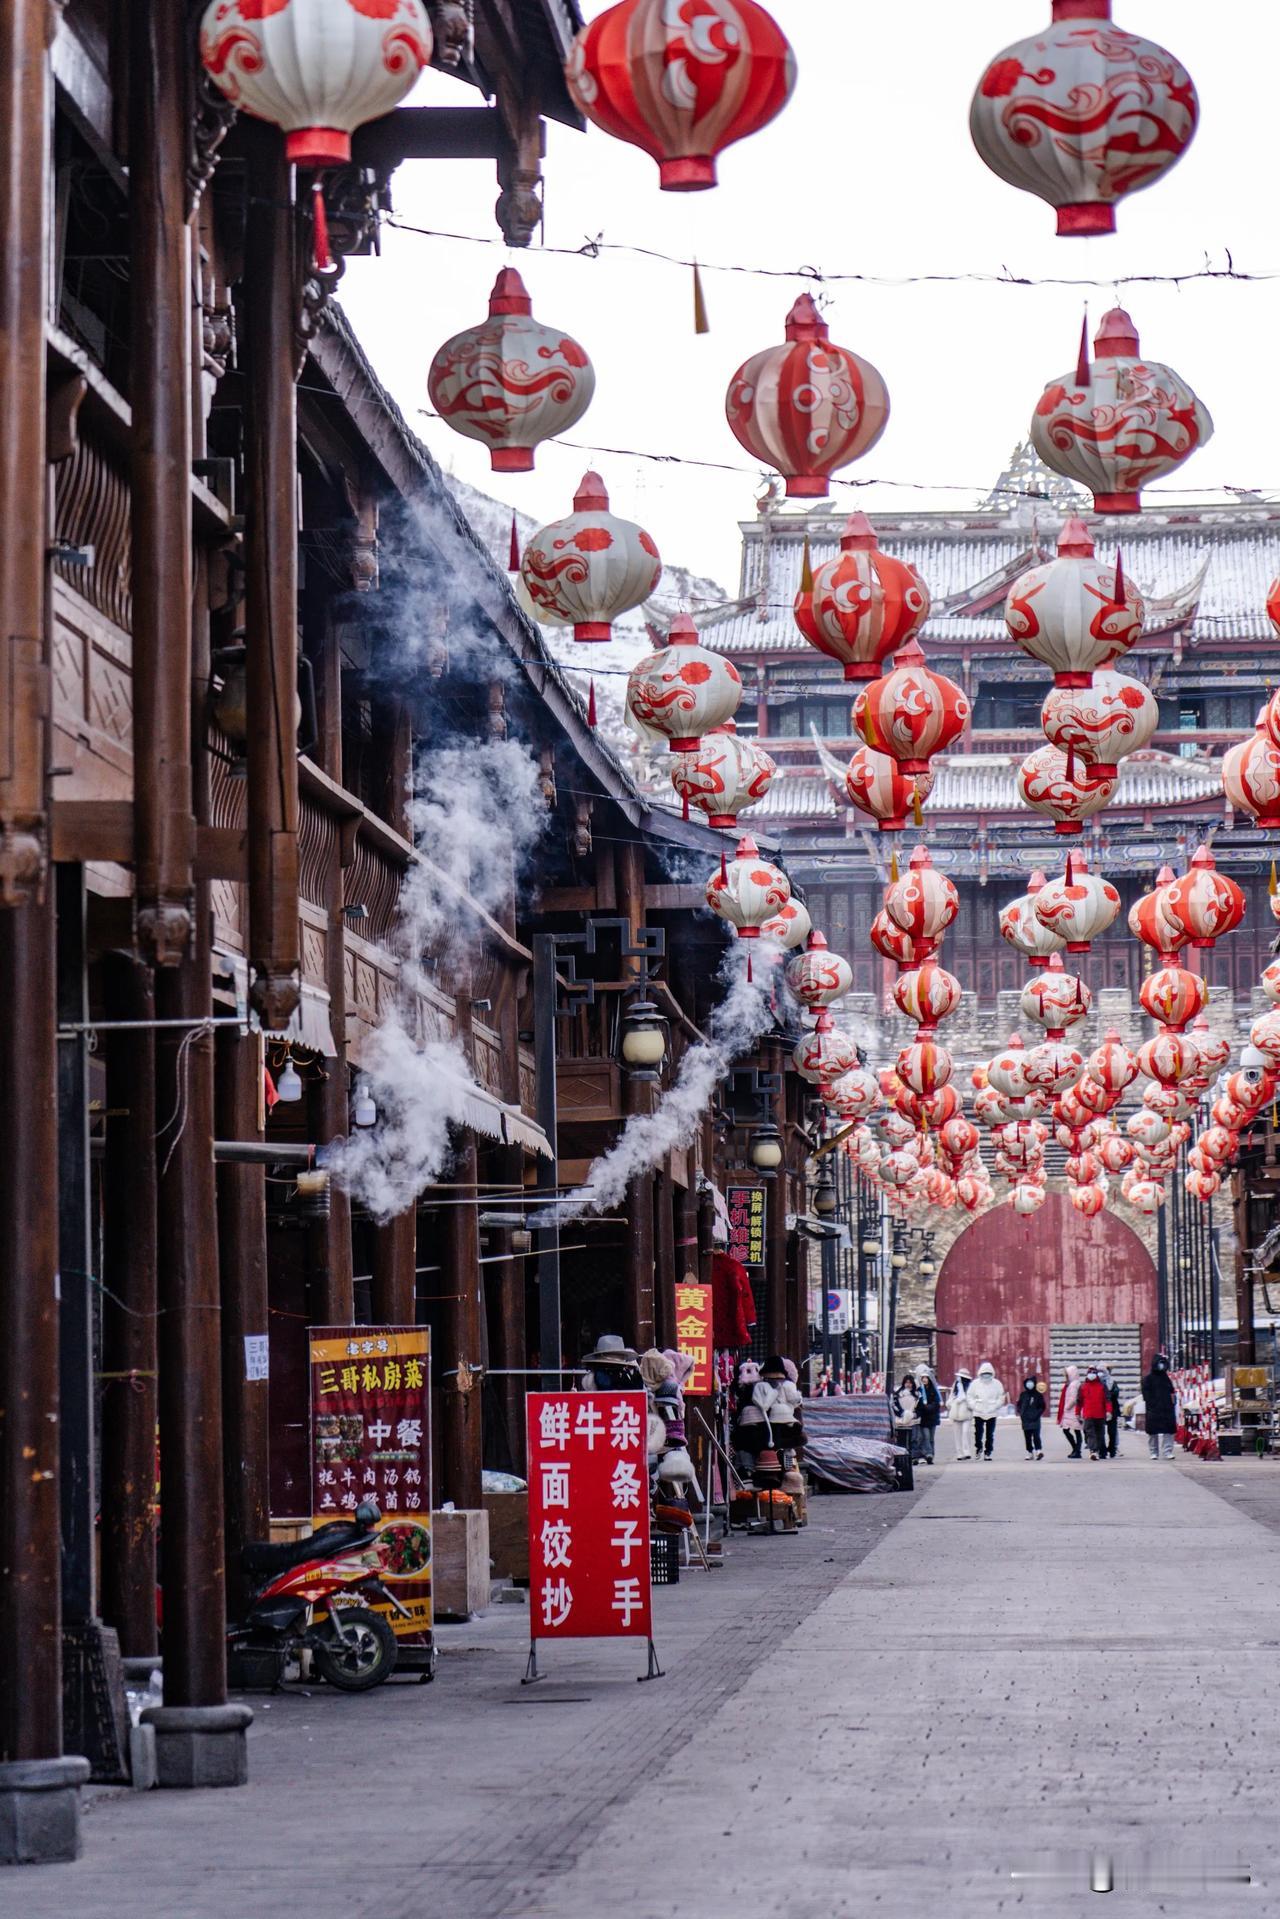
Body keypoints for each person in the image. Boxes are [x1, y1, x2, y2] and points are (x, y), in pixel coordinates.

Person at [967, 1361, 1007, 1460]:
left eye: (988, 1374)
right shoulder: (975, 1384)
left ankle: (988, 1451)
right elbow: (969, 1396)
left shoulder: (997, 1384)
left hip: (992, 1412)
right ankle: (978, 1448)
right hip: (978, 1412)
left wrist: (994, 1406)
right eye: (984, 1374)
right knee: (978, 1432)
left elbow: (1001, 1397)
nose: (986, 1376)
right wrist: (975, 1406)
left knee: (990, 1434)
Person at [1142, 1354, 1178, 1460]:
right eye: (1160, 1363)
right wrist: (1152, 1404)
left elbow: (1172, 1392)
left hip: (1167, 1408)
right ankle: (1153, 1452)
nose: (1162, 1366)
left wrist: (1172, 1403)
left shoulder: (1166, 1379)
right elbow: (1146, 1394)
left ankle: (1168, 1451)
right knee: (1153, 1432)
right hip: (1153, 1409)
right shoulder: (1148, 1379)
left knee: (1169, 1431)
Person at [1077, 1366, 1110, 1459]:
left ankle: (1098, 1450)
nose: (1091, 1375)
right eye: (1090, 1373)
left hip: (1100, 1414)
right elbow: (1079, 1401)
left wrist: (1108, 1411)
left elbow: (1107, 1400)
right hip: (1088, 1414)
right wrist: (1077, 1413)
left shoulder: (1102, 1386)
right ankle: (1093, 1451)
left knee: (1100, 1434)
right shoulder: (1083, 1386)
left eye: (1093, 1373)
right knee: (1090, 1432)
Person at [893, 1373, 925, 1464]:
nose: (908, 1384)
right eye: (906, 1382)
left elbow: (920, 1407)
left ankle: (914, 1457)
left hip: (914, 1420)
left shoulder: (917, 1394)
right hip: (901, 1421)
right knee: (902, 1440)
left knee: (914, 1439)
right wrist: (901, 1413)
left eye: (910, 1382)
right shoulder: (898, 1394)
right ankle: (903, 1458)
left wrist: (915, 1414)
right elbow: (895, 1406)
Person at [915, 1365, 943, 1465]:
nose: (925, 1380)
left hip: (933, 1417)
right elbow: (918, 1404)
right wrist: (923, 1408)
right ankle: (928, 1453)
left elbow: (936, 1403)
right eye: (923, 1378)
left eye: (926, 1378)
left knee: (931, 1437)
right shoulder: (919, 1391)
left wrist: (929, 1407)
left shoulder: (933, 1390)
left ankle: (931, 1454)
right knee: (925, 1436)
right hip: (924, 1418)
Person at [1056, 1363, 1083, 1460]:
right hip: (1073, 1412)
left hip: (1072, 1411)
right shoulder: (1074, 1384)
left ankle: (1077, 1450)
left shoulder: (1073, 1385)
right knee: (1076, 1431)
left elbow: (1073, 1399)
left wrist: (1066, 1407)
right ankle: (1076, 1450)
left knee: (1070, 1430)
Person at [1017, 1375, 1046, 1459]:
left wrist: (1037, 1414)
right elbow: (1019, 1405)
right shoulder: (1023, 1394)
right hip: (1025, 1419)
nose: (1029, 1385)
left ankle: (1038, 1451)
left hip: (1035, 1419)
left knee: (1036, 1436)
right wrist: (1021, 1413)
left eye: (1031, 1383)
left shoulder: (1038, 1395)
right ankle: (1030, 1452)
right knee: (1027, 1437)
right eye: (1028, 1383)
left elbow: (1042, 1406)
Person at [947, 1369, 974, 1461]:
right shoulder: (956, 1385)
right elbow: (951, 1397)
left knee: (965, 1432)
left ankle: (967, 1451)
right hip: (956, 1412)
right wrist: (951, 1403)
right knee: (957, 1434)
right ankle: (959, 1453)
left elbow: (972, 1399)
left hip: (966, 1412)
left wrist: (965, 1400)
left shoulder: (970, 1387)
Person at [1101, 1364, 1122, 1458]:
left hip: (1112, 1408)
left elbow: (1116, 1393)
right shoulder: (1097, 1383)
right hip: (1100, 1409)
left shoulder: (1112, 1382)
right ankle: (1103, 1450)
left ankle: (1112, 1449)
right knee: (1101, 1431)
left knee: (1112, 1431)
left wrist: (1108, 1394)